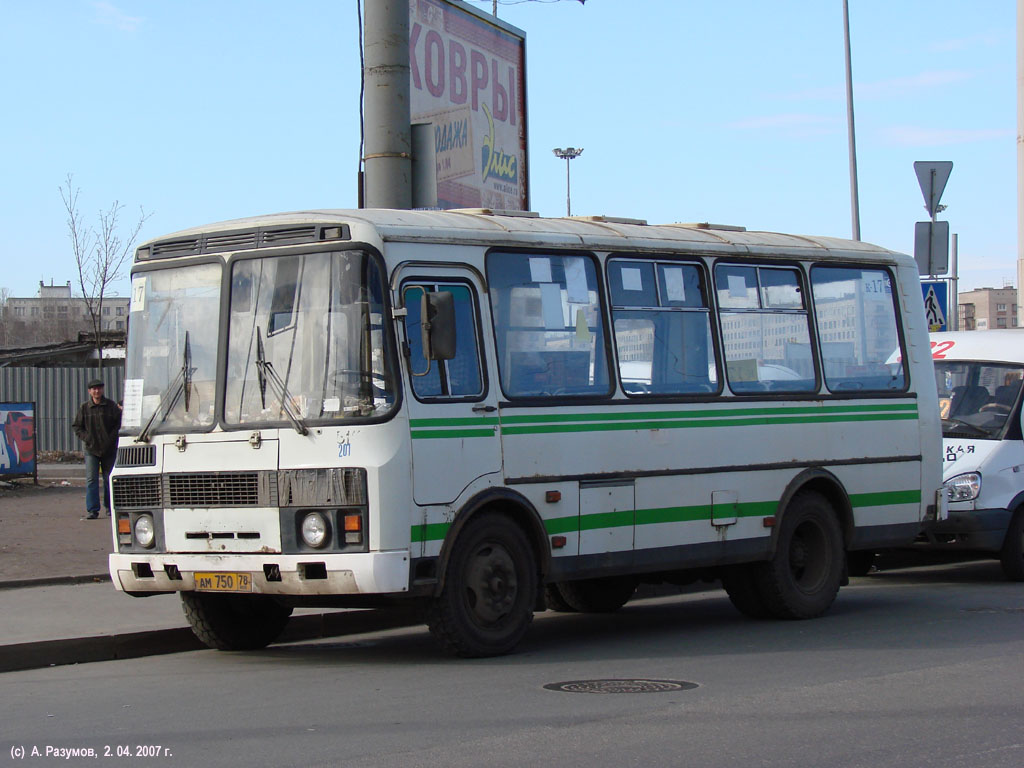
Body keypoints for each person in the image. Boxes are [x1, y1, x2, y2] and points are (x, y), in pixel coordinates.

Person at [72, 378, 122, 519]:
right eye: (94, 389)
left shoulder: (111, 406)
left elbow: (118, 425)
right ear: (89, 391)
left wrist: (110, 440)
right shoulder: (84, 408)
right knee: (91, 480)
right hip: (91, 450)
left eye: (99, 388)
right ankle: (92, 510)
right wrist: (88, 438)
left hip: (109, 450)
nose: (96, 391)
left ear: (102, 389)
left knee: (109, 480)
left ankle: (110, 507)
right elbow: (77, 426)